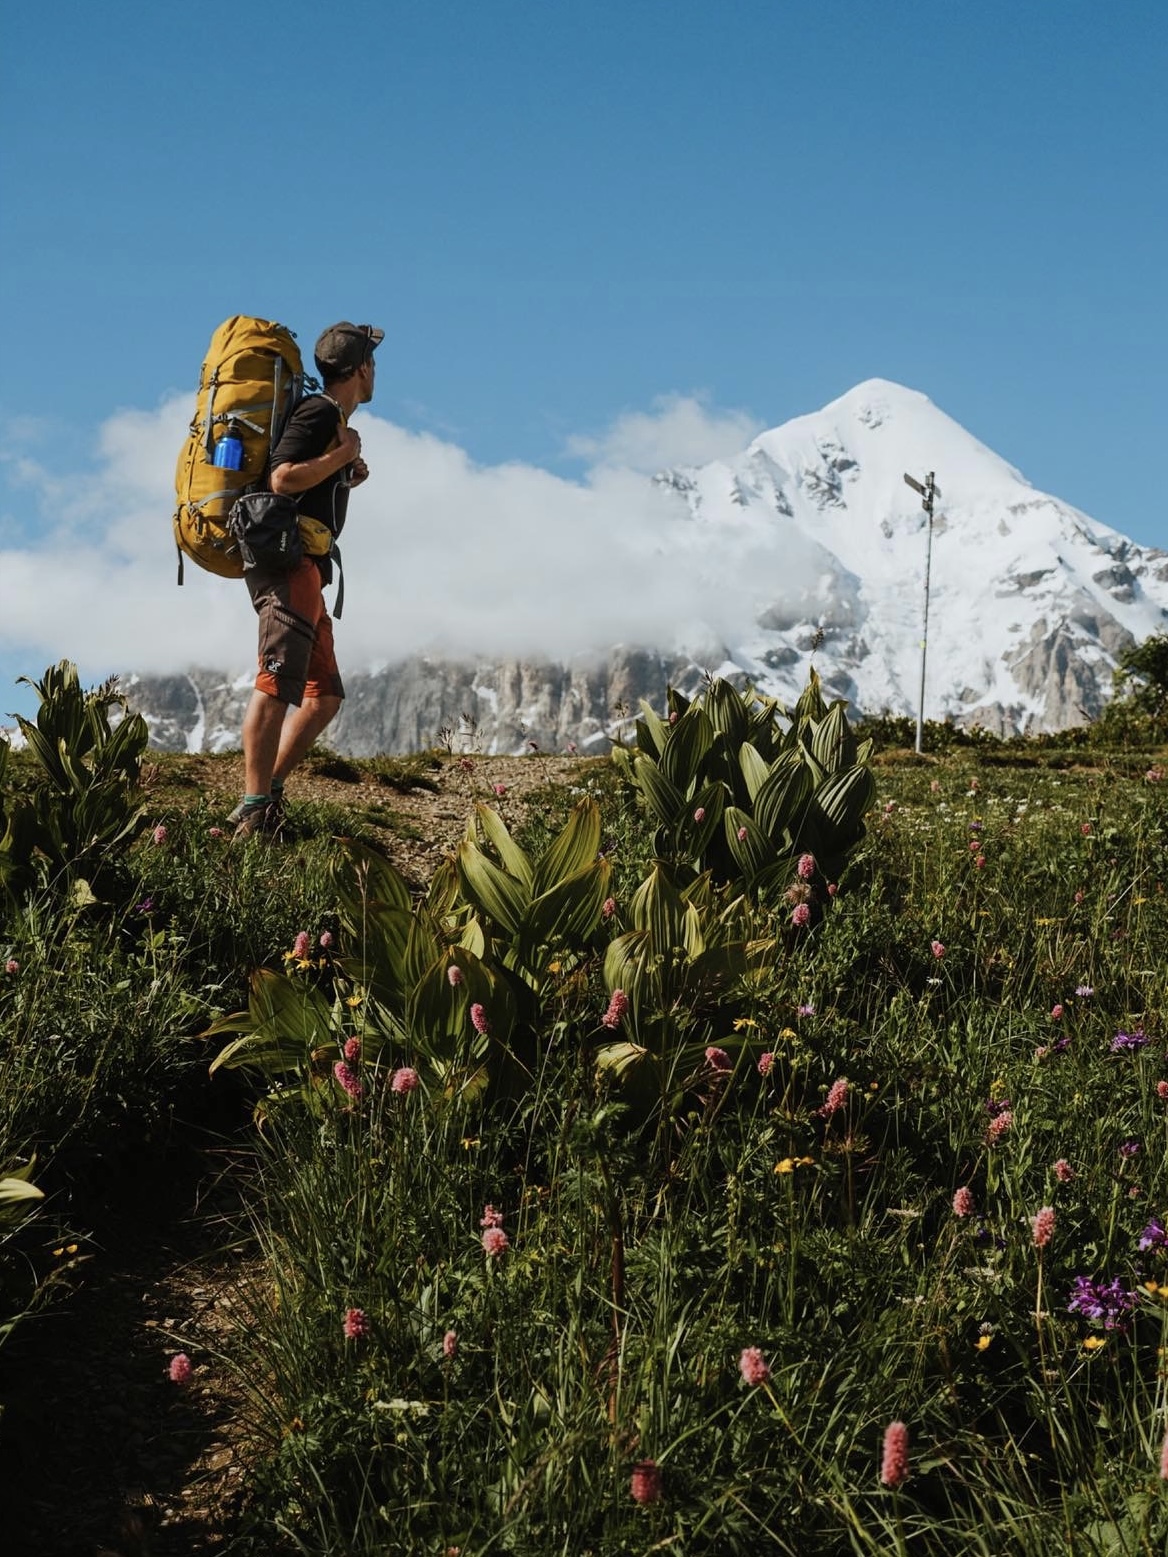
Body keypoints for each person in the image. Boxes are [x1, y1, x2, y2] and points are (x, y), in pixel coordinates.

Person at [232, 321, 383, 840]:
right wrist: (341, 456)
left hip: (309, 570)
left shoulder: (328, 418)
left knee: (324, 696)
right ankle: (254, 812)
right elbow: (282, 478)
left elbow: (304, 480)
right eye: (373, 363)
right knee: (276, 684)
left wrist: (344, 475)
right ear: (361, 368)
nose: (375, 373)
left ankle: (268, 794)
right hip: (288, 566)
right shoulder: (319, 412)